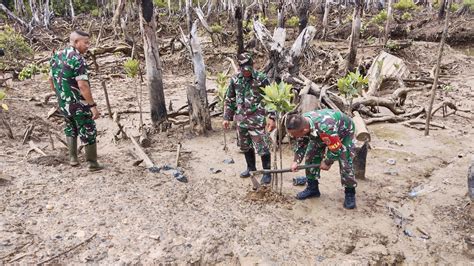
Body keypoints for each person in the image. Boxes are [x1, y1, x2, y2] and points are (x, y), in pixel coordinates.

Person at [49, 30, 103, 171]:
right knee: (88, 129)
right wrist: (92, 106)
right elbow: (83, 85)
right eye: (85, 43)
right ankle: (92, 163)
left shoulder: (56, 56)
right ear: (76, 42)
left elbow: (51, 80)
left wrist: (60, 95)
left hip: (63, 103)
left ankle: (73, 158)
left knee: (70, 127)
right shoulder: (78, 59)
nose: (88, 46)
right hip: (79, 103)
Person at [285, 109, 357, 209]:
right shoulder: (301, 123)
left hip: (344, 132)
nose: (292, 136)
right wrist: (296, 161)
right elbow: (301, 144)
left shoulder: (326, 127)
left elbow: (336, 149)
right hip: (320, 133)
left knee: (345, 162)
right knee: (311, 156)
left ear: (304, 130)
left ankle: (350, 193)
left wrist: (327, 162)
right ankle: (312, 188)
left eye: (293, 135)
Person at [222, 52, 275, 184]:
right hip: (241, 121)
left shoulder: (261, 79)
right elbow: (230, 99)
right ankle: (251, 168)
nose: (246, 73)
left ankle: (267, 172)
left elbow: (271, 98)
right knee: (245, 146)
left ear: (252, 66)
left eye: (249, 70)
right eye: (244, 70)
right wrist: (227, 117)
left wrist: (272, 117)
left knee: (262, 146)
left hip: (257, 120)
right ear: (240, 67)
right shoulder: (235, 80)